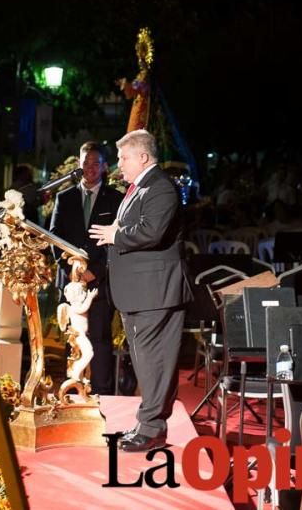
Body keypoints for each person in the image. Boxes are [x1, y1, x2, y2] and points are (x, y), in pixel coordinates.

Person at [89, 129, 191, 453]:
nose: (118, 164)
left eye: (123, 157)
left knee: (155, 363)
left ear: (143, 157)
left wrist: (114, 235)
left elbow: (152, 231)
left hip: (155, 292)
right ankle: (148, 423)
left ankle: (151, 428)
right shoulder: (138, 188)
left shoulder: (160, 188)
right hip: (140, 292)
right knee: (147, 361)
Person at [49, 141, 124, 396]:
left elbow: (118, 244)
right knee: (73, 337)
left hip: (100, 281)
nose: (90, 168)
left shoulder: (117, 199)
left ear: (104, 167)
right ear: (79, 164)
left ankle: (101, 394)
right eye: (86, 162)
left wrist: (96, 271)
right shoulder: (64, 198)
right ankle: (73, 389)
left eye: (96, 163)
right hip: (71, 283)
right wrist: (71, 271)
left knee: (100, 340)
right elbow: (54, 239)